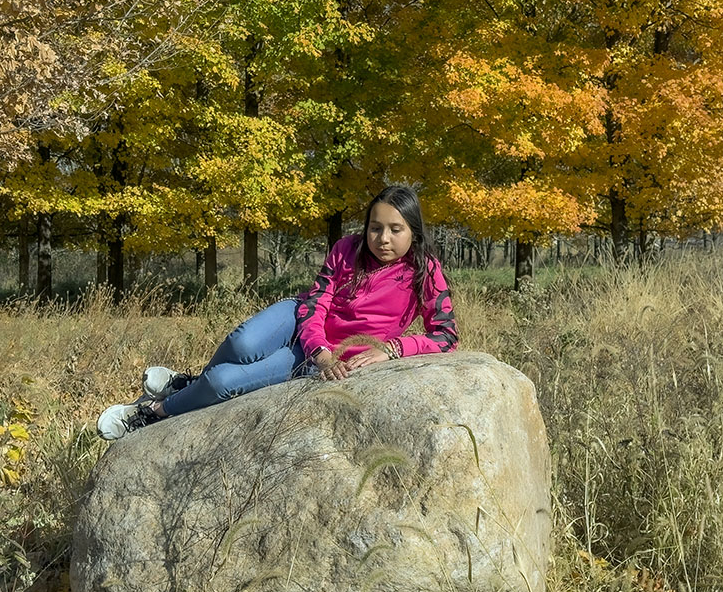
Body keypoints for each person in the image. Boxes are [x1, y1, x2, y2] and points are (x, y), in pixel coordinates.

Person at [96, 185, 459, 440]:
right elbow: (317, 301)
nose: (383, 239)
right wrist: (319, 347)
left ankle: (150, 413)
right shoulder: (347, 248)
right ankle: (190, 385)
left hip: (321, 358)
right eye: (375, 228)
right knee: (241, 344)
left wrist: (392, 349)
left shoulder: (425, 270)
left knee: (223, 383)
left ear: (414, 232)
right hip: (304, 323)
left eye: (396, 230)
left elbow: (445, 336)